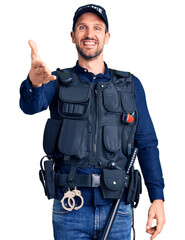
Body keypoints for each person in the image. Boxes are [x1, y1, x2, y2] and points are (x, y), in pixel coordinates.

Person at [19, 4, 165, 240]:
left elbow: (147, 143)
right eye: (82, 27)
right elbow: (30, 106)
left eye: (97, 28)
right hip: (71, 206)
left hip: (118, 207)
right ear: (73, 35)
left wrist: (157, 197)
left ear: (106, 37)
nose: (89, 34)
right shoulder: (56, 80)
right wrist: (34, 83)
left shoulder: (130, 85)